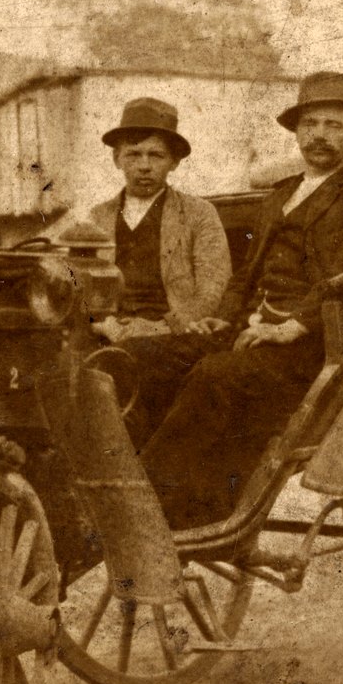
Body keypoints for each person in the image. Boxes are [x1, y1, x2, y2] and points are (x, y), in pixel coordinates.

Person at [138, 72, 343, 530]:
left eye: (333, 125)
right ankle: (135, 488)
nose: (319, 135)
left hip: (313, 346)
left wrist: (289, 327)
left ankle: (155, 505)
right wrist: (222, 319)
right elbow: (248, 274)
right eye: (310, 124)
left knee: (214, 376)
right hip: (250, 332)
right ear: (296, 132)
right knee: (143, 359)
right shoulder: (280, 194)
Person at [71, 97, 232, 444]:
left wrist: (159, 327)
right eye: (133, 154)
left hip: (175, 336)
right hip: (110, 330)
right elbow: (78, 286)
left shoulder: (199, 214)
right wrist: (103, 324)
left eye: (156, 156)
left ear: (174, 162)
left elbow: (212, 289)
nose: (144, 166)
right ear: (117, 159)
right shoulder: (96, 218)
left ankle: (133, 458)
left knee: (124, 371)